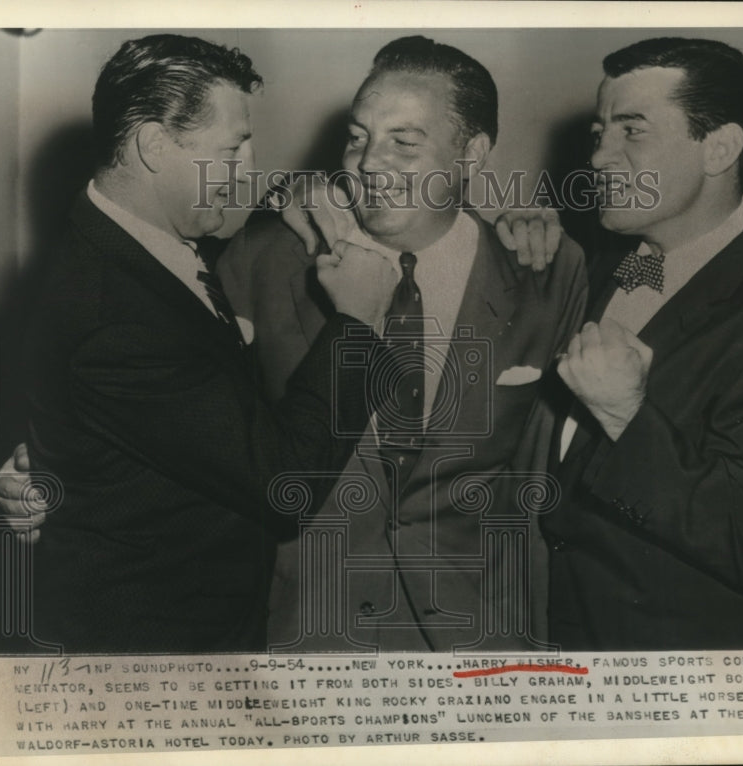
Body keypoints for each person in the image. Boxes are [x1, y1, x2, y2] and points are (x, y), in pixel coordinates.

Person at [10, 34, 398, 654]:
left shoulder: (126, 246)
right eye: (232, 148)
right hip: (156, 659)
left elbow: (187, 297)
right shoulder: (116, 319)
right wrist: (359, 324)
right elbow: (285, 484)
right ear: (154, 146)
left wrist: (284, 200)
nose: (248, 167)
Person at [219, 36, 588, 652]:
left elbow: (542, 482)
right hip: (302, 638)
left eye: (403, 143)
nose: (368, 163)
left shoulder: (547, 270)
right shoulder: (266, 260)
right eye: (358, 137)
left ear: (471, 155)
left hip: (474, 643)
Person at [543, 37, 743, 650]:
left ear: (720, 148)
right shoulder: (591, 269)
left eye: (632, 131)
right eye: (598, 132)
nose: (601, 157)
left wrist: (626, 416)